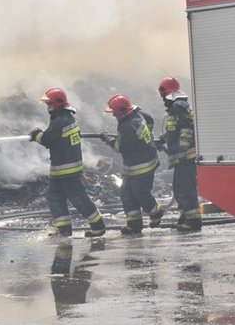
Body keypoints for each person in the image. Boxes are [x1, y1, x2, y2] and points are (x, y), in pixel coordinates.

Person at [29, 88, 106, 238]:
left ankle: (98, 226)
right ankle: (64, 231)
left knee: (78, 199)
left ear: (57, 104)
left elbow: (48, 140)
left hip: (66, 170)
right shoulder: (67, 118)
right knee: (55, 197)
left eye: (49, 104)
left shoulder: (60, 121)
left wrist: (37, 134)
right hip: (62, 169)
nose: (48, 107)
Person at [103, 94, 163, 236]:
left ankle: (156, 212)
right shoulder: (138, 115)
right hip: (136, 164)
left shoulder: (128, 126)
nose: (114, 115)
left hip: (142, 166)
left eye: (115, 113)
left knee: (140, 193)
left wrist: (108, 140)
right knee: (126, 194)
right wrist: (147, 136)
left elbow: (121, 148)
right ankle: (134, 225)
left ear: (121, 111)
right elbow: (150, 120)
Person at [157, 76, 202, 232]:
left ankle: (193, 221)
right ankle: (185, 217)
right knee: (179, 188)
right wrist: (163, 139)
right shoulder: (179, 105)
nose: (163, 100)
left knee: (186, 189)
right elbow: (175, 129)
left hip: (186, 157)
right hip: (183, 157)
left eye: (163, 96)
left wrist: (182, 149)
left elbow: (187, 126)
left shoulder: (178, 106)